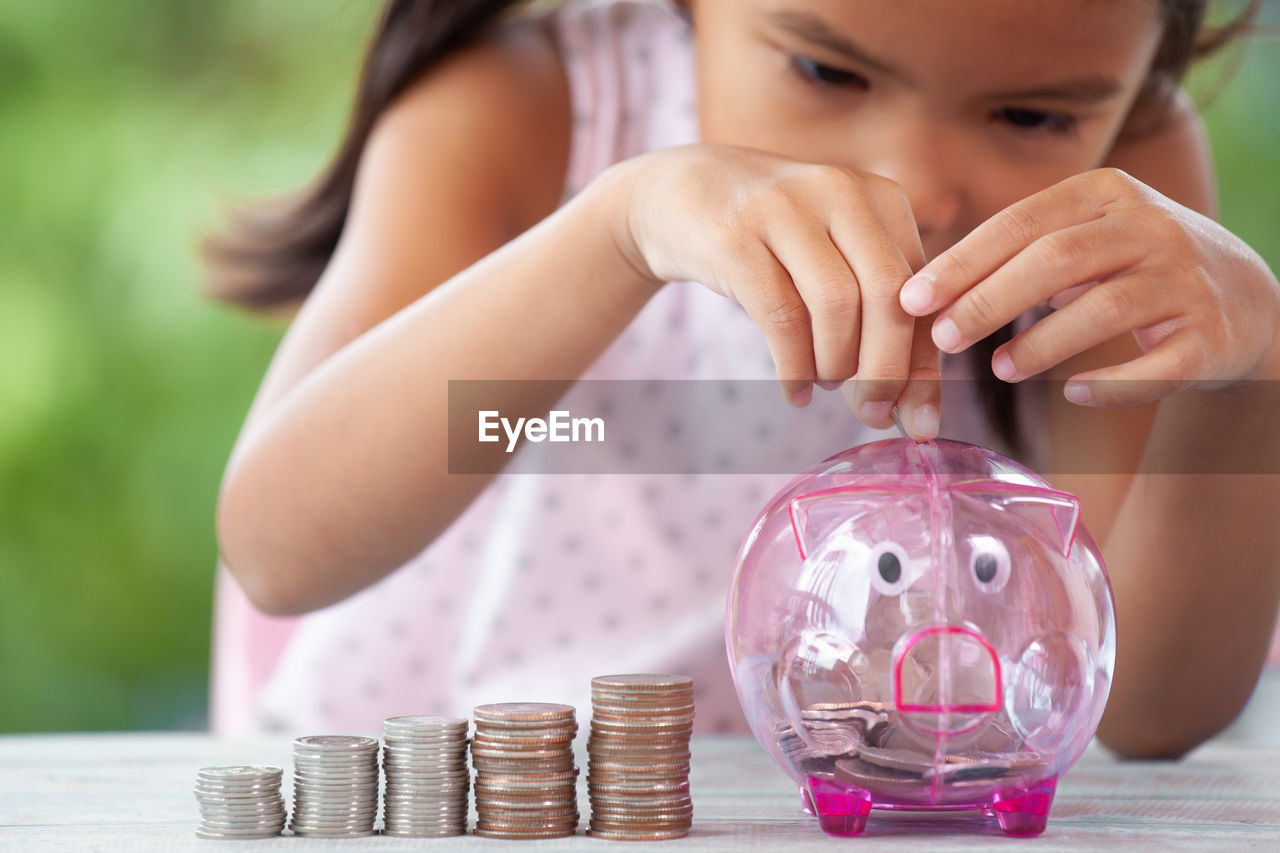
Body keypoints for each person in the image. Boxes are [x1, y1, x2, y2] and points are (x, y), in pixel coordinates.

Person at [205, 0, 1280, 757]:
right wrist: (619, 231)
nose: (909, 184)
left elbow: (1140, 709)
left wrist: (1251, 378)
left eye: (1032, 116)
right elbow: (276, 546)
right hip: (459, 791)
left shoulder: (1116, 186)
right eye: (825, 72)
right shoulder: (533, 108)